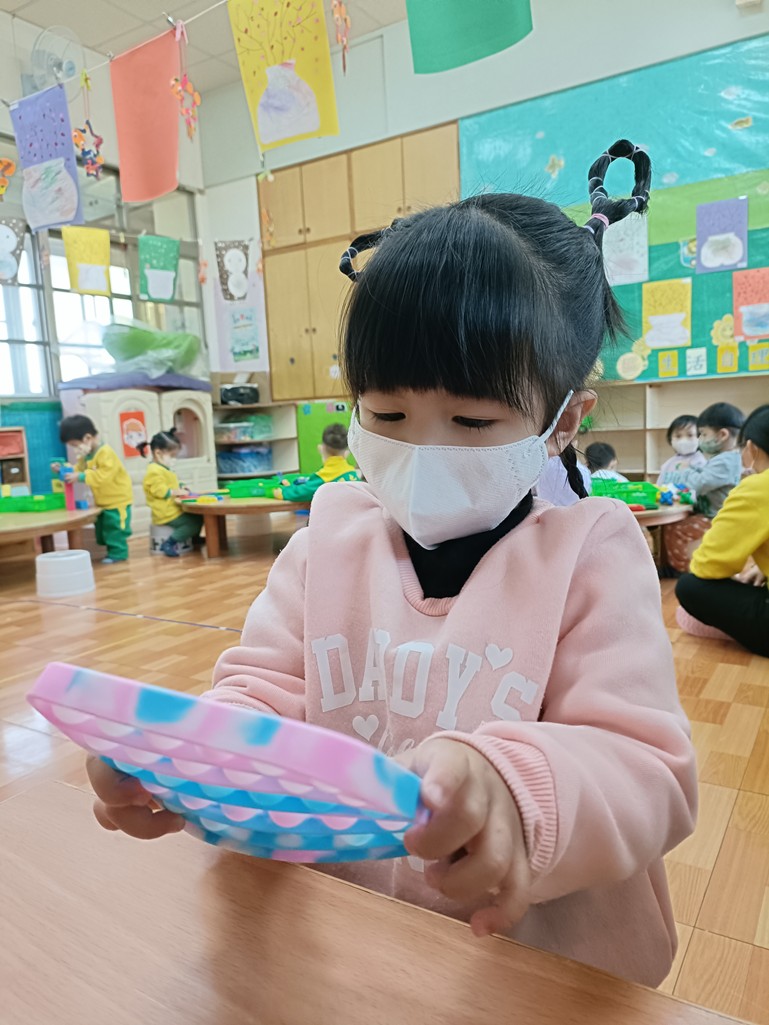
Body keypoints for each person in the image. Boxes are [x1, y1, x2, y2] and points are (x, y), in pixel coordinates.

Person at [85, 140, 696, 988]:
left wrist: (514, 789)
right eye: (386, 413)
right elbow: (264, 697)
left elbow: (647, 771)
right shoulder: (325, 545)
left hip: (531, 962)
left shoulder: (589, 556)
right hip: (349, 941)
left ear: (562, 421)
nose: (422, 450)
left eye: (472, 422)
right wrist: (191, 762)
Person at [675, 404, 769, 657]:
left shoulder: (757, 485)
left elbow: (708, 566)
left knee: (689, 586)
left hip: (709, 518)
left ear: (751, 448)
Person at [664, 402, 745, 573]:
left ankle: (688, 569)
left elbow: (699, 483)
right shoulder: (724, 458)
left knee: (677, 528)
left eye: (703, 434)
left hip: (717, 519)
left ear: (722, 435)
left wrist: (684, 473)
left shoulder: (727, 461)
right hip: (713, 515)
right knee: (676, 523)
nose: (701, 439)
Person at [56, 415, 133, 564]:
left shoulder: (105, 453)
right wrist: (64, 470)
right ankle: (110, 551)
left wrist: (80, 476)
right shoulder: (86, 455)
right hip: (102, 501)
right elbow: (79, 469)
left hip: (118, 500)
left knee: (116, 529)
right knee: (102, 529)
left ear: (87, 438)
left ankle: (119, 554)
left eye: (75, 445)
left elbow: (104, 475)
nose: (75, 449)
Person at [138, 430, 202, 558]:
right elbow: (160, 491)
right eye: (172, 455)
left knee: (198, 516)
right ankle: (170, 543)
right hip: (165, 512)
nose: (174, 459)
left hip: (172, 509)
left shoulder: (163, 469)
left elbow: (172, 483)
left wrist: (181, 486)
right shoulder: (153, 471)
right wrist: (176, 492)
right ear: (158, 453)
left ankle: (193, 538)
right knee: (193, 523)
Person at [272, 423, 358, 503]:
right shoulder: (353, 473)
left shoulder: (323, 477)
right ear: (347, 453)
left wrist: (283, 491)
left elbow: (300, 493)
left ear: (321, 448)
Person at [657, 414, 706, 485]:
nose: (683, 440)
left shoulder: (701, 463)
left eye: (690, 435)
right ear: (670, 438)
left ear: (700, 437)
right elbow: (659, 487)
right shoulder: (667, 464)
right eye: (678, 436)